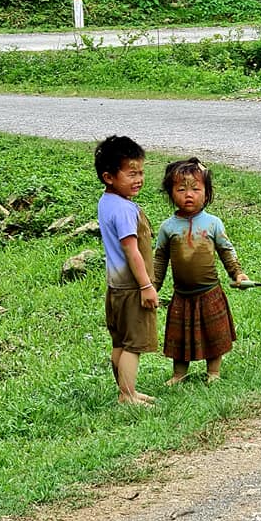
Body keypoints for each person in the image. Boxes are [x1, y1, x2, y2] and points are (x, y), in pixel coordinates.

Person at [154, 157, 248, 384]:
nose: (189, 194)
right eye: (181, 189)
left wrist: (237, 273)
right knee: (179, 338)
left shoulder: (213, 223)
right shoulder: (168, 227)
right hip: (182, 295)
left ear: (206, 194)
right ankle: (179, 374)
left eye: (196, 189)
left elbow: (226, 251)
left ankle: (213, 372)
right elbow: (159, 260)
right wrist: (152, 287)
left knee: (214, 333)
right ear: (171, 194)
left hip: (209, 292)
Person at [95, 135, 159, 405]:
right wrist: (146, 286)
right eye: (132, 174)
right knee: (133, 344)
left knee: (119, 342)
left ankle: (126, 390)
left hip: (115, 287)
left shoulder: (107, 201)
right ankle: (127, 394)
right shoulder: (123, 210)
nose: (139, 179)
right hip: (132, 287)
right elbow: (132, 251)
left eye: (141, 172)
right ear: (109, 177)